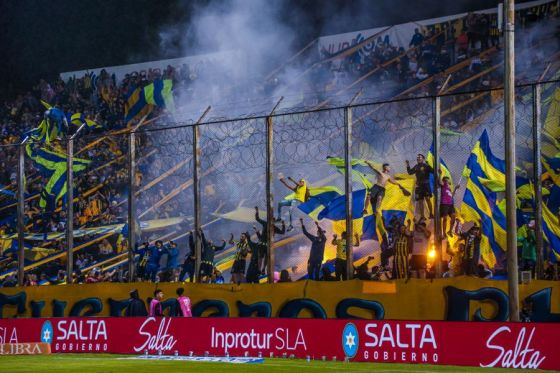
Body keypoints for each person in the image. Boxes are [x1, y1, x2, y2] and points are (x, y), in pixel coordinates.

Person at [255, 206, 285, 274]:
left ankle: (263, 270)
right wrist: (257, 211)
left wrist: (283, 225)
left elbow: (282, 232)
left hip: (268, 245)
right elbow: (257, 218)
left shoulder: (274, 228)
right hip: (262, 244)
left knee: (266, 258)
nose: (272, 221)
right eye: (271, 220)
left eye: (273, 220)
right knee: (260, 257)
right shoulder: (265, 223)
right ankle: (259, 270)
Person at [406, 154, 434, 219]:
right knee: (420, 201)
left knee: (428, 199)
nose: (418, 158)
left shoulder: (426, 166)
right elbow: (410, 172)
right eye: (417, 157)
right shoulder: (416, 166)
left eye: (420, 157)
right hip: (419, 186)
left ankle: (431, 214)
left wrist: (431, 164)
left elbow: (433, 171)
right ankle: (422, 216)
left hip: (426, 185)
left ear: (423, 159)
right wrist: (408, 164)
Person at [438, 169, 460, 238]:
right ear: (445, 181)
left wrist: (456, 188)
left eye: (448, 180)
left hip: (450, 204)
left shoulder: (449, 188)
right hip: (444, 204)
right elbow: (439, 182)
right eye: (447, 180)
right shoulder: (444, 185)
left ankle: (450, 231)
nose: (448, 181)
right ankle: (444, 233)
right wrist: (440, 174)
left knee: (453, 217)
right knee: (445, 219)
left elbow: (452, 195)